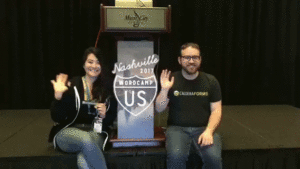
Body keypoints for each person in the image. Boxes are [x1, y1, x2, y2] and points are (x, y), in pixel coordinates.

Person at [155, 43, 222, 169]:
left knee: (214, 158)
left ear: (200, 59)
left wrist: (209, 131)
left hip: (203, 128)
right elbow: (159, 108)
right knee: (176, 157)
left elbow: (217, 110)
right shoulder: (171, 79)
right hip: (177, 129)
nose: (191, 61)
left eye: (195, 57)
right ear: (180, 60)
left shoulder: (211, 81)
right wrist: (164, 90)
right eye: (187, 58)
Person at [48, 47, 117, 169]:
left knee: (84, 161)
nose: (94, 66)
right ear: (84, 65)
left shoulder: (107, 89)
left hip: (95, 132)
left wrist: (104, 115)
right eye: (90, 62)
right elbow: (57, 117)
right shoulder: (72, 84)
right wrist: (58, 97)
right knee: (86, 139)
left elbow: (111, 120)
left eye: (98, 62)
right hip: (68, 132)